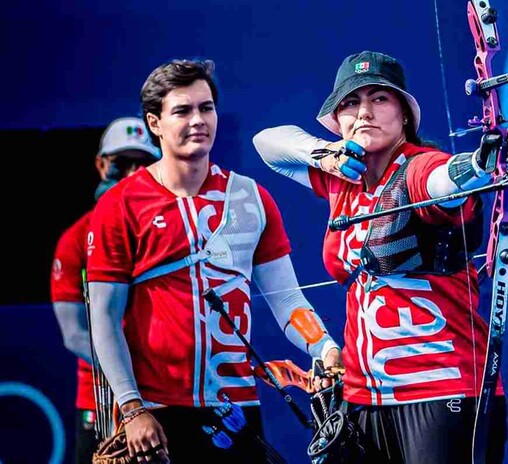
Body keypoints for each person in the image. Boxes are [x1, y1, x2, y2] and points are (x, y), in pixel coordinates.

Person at [252, 50, 508, 463]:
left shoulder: (420, 166)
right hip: (364, 398)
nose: (364, 112)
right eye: (350, 102)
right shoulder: (341, 178)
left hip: (442, 392)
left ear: (404, 115)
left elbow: (441, 182)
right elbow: (266, 143)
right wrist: (324, 154)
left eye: (380, 99)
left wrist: (478, 162)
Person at [85, 58, 342, 463]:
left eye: (206, 108)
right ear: (155, 123)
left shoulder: (252, 199)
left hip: (236, 412)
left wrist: (326, 349)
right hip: (155, 416)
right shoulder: (120, 205)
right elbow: (102, 318)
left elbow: (289, 302)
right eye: (182, 110)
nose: (198, 120)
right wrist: (133, 408)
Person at [51, 116, 160, 463]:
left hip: (167, 393)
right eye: (121, 163)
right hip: (101, 400)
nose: (131, 174)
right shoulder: (74, 241)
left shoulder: (167, 232)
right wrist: (128, 376)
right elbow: (74, 334)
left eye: (142, 164)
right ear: (101, 165)